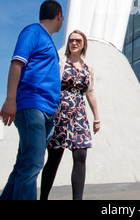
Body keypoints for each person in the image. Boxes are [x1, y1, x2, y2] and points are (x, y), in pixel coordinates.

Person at [0, 0, 63, 200]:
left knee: (24, 165)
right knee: (33, 164)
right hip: (32, 106)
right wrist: (10, 99)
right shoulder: (33, 32)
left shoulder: (48, 41)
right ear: (59, 16)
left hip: (46, 111)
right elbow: (17, 63)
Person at [40, 30, 100, 200]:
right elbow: (49, 84)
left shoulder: (88, 68)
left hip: (79, 114)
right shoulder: (60, 63)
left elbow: (90, 92)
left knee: (81, 155)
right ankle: (43, 197)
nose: (74, 43)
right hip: (60, 112)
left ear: (83, 45)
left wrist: (97, 117)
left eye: (78, 41)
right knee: (54, 157)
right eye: (71, 40)